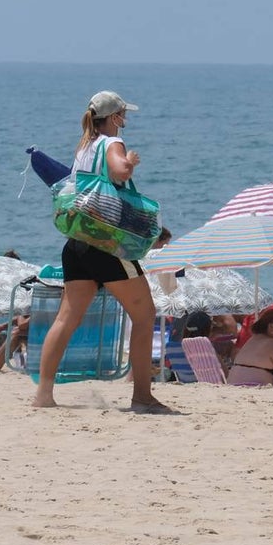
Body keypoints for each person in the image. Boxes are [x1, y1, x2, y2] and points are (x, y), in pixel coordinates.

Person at [32, 90, 169, 413]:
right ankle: (142, 396)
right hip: (109, 244)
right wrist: (129, 161)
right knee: (144, 315)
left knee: (66, 319)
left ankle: (43, 395)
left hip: (78, 240)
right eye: (124, 114)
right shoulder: (111, 142)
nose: (126, 119)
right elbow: (120, 171)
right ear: (115, 117)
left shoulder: (84, 147)